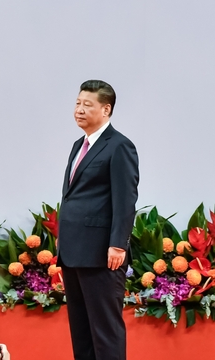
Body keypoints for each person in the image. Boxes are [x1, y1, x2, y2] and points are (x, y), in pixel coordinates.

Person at [57, 80, 139, 360]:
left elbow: (125, 200)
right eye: (78, 103)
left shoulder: (119, 147)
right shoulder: (78, 145)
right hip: (74, 252)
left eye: (87, 105)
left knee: (105, 332)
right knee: (81, 332)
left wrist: (118, 244)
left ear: (106, 109)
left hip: (102, 254)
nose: (79, 110)